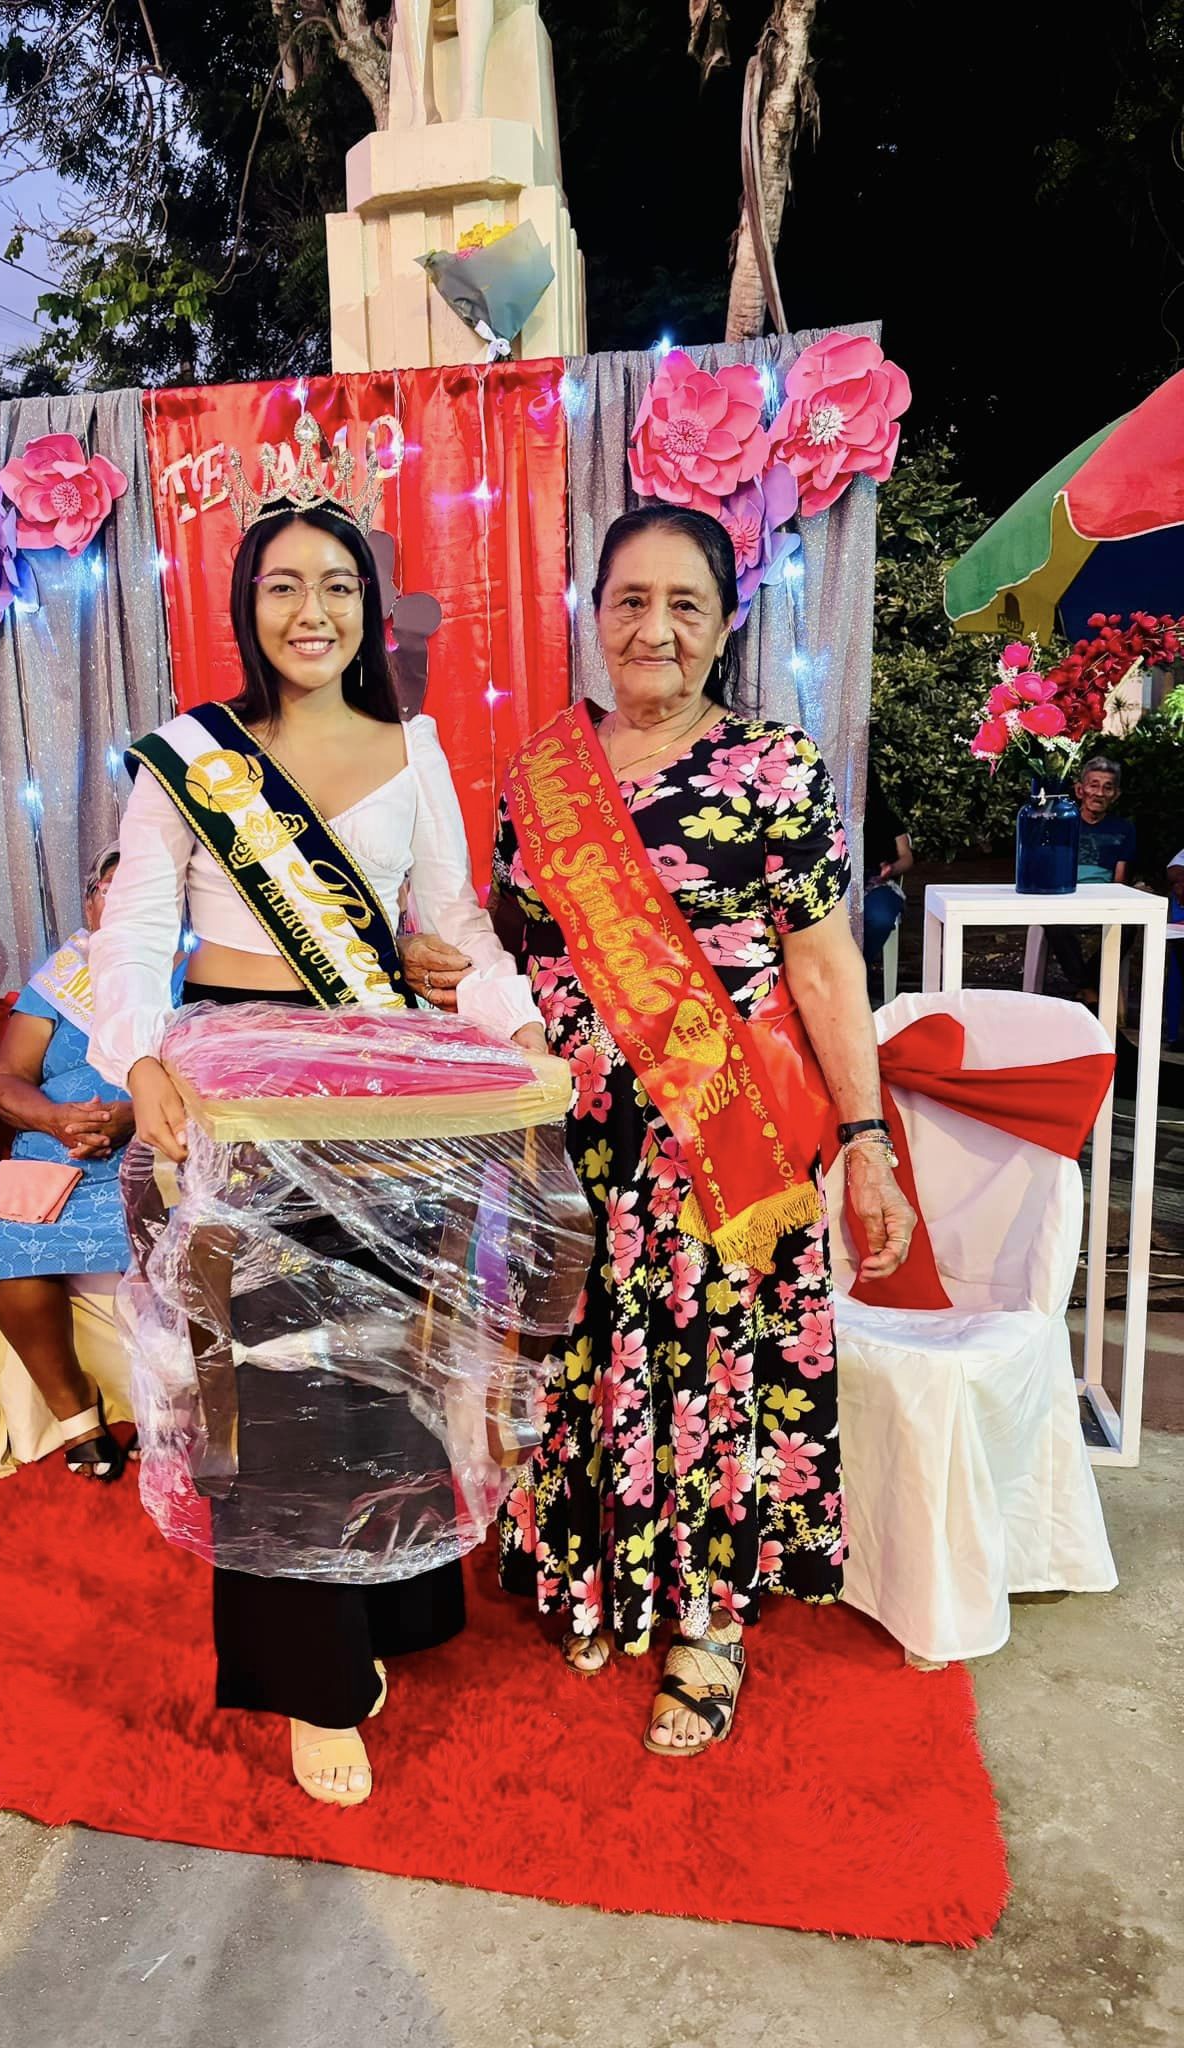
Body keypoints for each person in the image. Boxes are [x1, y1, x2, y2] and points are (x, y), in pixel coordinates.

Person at [414, 505, 914, 1760]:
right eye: (632, 600)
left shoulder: (774, 767)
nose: (656, 628)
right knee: (583, 1356)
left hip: (720, 1142)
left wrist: (866, 1137)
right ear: (595, 614)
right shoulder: (538, 778)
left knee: (710, 1370)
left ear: (727, 623)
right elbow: (516, 954)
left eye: (686, 603)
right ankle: (594, 1571)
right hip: (574, 1137)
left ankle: (708, 1615)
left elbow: (825, 964)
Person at [90, 496, 546, 1809]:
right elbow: (136, 931)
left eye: (337, 584)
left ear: (368, 606)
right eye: (283, 584)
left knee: (386, 1363)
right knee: (273, 1381)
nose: (312, 610)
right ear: (247, 607)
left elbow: (450, 917)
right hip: (239, 1093)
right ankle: (310, 1677)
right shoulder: (191, 757)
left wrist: (514, 1028)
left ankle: (388, 1606)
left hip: (384, 1086)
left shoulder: (416, 743)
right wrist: (141, 1060)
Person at [0, 843, 133, 1480]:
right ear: (89, 903)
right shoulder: (63, 975)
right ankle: (77, 1416)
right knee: (0, 1242)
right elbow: (6, 1077)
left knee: (180, 1240)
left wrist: (133, 1117)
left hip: (150, 1150)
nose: (118, 903)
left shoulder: (191, 973)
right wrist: (55, 1118)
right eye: (106, 890)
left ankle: (168, 1411)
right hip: (51, 1151)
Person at [1045, 756, 1136, 1003]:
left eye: (1108, 787)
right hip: (1065, 896)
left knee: (1129, 927)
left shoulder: (1124, 829)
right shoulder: (1062, 823)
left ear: (1116, 794)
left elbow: (1119, 879)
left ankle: (1086, 986)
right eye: (1093, 785)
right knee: (1053, 923)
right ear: (1079, 790)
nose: (1099, 793)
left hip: (1103, 899)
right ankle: (1090, 990)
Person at [861, 755, 913, 1007]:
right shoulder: (826, 814)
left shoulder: (885, 817)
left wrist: (890, 869)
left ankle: (856, 971)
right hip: (837, 886)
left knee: (879, 918)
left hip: (877, 883)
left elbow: (906, 858)